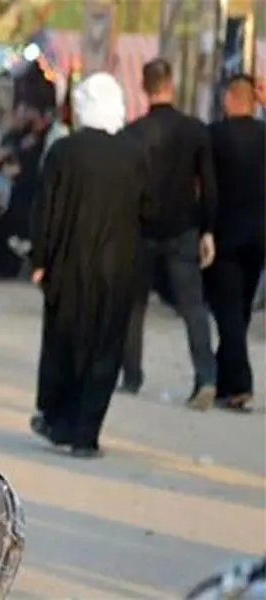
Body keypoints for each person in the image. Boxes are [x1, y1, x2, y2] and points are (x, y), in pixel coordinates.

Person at [28, 73, 152, 458]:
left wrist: (39, 259)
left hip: (68, 264)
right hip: (118, 269)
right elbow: (148, 211)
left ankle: (57, 419)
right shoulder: (135, 154)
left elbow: (45, 211)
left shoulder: (64, 152)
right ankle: (86, 434)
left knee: (64, 341)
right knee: (105, 346)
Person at [120, 58, 218, 409]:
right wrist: (207, 229)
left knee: (133, 306)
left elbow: (125, 186)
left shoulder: (132, 133)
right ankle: (205, 375)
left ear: (144, 87)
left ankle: (131, 375)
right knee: (193, 306)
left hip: (141, 227)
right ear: (171, 84)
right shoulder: (195, 130)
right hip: (183, 227)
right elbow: (207, 185)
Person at [204, 74, 265, 412]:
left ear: (228, 99)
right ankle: (225, 379)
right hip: (258, 236)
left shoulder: (214, 136)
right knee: (238, 311)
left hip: (224, 236)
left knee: (228, 312)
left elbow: (208, 189)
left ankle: (240, 383)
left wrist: (204, 228)